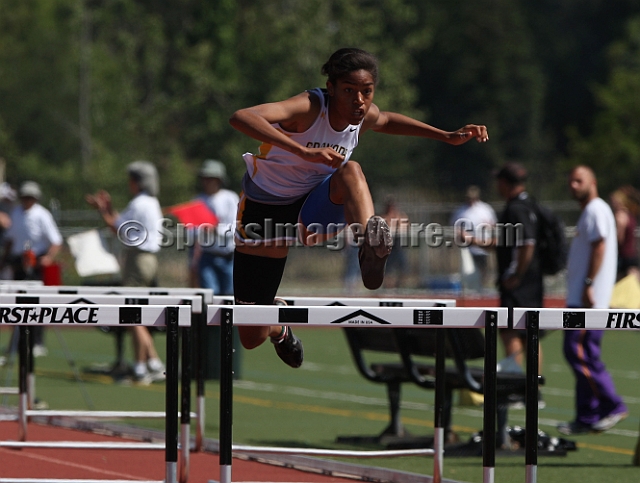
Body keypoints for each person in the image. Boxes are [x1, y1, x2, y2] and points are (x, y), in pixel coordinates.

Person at [229, 47, 488, 368]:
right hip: (266, 213)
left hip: (314, 210)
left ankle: (369, 245)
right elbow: (242, 117)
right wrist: (302, 151)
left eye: (367, 92)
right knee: (251, 336)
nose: (359, 101)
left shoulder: (363, 115)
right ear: (332, 88)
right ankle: (279, 329)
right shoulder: (310, 107)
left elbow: (388, 119)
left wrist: (446, 135)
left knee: (351, 171)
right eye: (349, 91)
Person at [557, 165, 628, 435]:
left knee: (579, 354)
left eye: (579, 180)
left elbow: (600, 245)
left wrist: (588, 284)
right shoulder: (591, 210)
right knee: (580, 353)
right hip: (580, 298)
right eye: (570, 181)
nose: (573, 185)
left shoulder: (597, 208)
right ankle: (586, 416)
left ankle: (613, 405)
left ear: (593, 182)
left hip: (588, 301)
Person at [85, 161, 166, 384]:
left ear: (136, 182)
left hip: (138, 259)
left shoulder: (139, 203)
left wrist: (103, 210)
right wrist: (109, 209)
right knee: (138, 311)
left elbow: (116, 227)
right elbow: (121, 221)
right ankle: (154, 362)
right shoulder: (150, 202)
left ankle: (140, 367)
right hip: (149, 259)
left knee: (133, 314)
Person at [494, 163, 545, 378]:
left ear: (504, 183)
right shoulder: (532, 205)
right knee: (530, 333)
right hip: (534, 278)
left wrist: (516, 275)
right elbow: (510, 241)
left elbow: (527, 243)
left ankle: (516, 384)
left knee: (510, 330)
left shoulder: (515, 208)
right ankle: (535, 387)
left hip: (519, 281)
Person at [1, 181, 63, 357]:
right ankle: (17, 341)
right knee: (16, 302)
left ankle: (36, 341)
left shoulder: (42, 215)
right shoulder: (16, 213)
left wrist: (48, 257)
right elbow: (10, 240)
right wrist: (4, 260)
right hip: (18, 262)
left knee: (36, 303)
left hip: (35, 262)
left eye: (30, 197)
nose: (27, 200)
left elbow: (56, 241)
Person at [189, 160, 239, 295]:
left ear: (219, 180)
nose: (206, 182)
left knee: (230, 294)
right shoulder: (197, 201)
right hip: (207, 256)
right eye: (204, 178)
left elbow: (234, 227)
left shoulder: (230, 198)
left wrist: (215, 230)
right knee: (210, 294)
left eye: (210, 178)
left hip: (229, 257)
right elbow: (191, 231)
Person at [450, 185, 497, 292]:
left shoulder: (485, 209)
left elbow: (493, 224)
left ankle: (482, 290)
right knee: (467, 271)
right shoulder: (461, 210)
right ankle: (469, 291)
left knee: (482, 272)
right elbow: (454, 226)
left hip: (483, 247)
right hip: (467, 249)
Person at [609, 186, 640, 280]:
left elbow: (619, 239)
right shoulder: (629, 215)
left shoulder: (620, 216)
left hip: (623, 256)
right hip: (632, 254)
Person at [381, 197, 409, 289]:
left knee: (403, 268)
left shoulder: (400, 216)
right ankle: (387, 287)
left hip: (398, 246)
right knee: (387, 269)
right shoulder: (383, 217)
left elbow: (404, 226)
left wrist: (396, 219)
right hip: (387, 248)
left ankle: (400, 286)